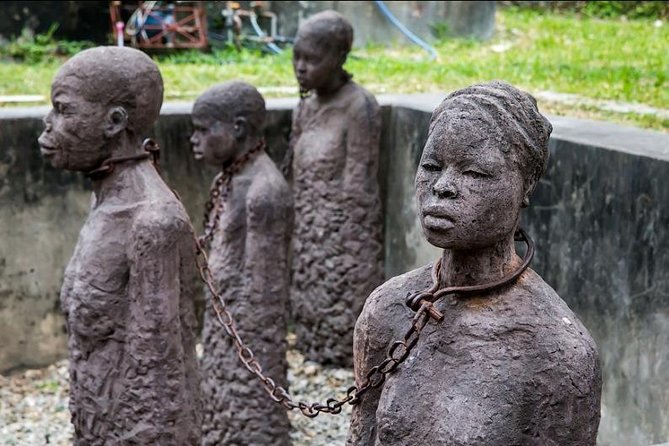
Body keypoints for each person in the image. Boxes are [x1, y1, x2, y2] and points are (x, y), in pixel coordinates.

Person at [348, 81, 601, 445]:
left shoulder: (559, 354)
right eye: (432, 165)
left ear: (526, 186)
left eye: (475, 173)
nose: (443, 186)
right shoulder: (386, 309)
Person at [37, 46, 201, 445]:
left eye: (63, 110)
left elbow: (158, 386)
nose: (47, 124)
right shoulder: (107, 198)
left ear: (114, 122)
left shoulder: (152, 222)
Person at [190, 81, 293, 446]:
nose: (193, 139)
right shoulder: (229, 179)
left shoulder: (265, 190)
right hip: (224, 318)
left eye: (203, 130)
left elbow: (264, 289)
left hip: (244, 330)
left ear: (236, 128)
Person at [289, 10, 384, 367]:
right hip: (309, 229)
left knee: (338, 298)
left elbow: (360, 188)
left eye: (312, 59)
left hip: (342, 233)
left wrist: (346, 250)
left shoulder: (359, 107)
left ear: (339, 57)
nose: (301, 67)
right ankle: (313, 340)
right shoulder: (304, 107)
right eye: (296, 57)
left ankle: (346, 347)